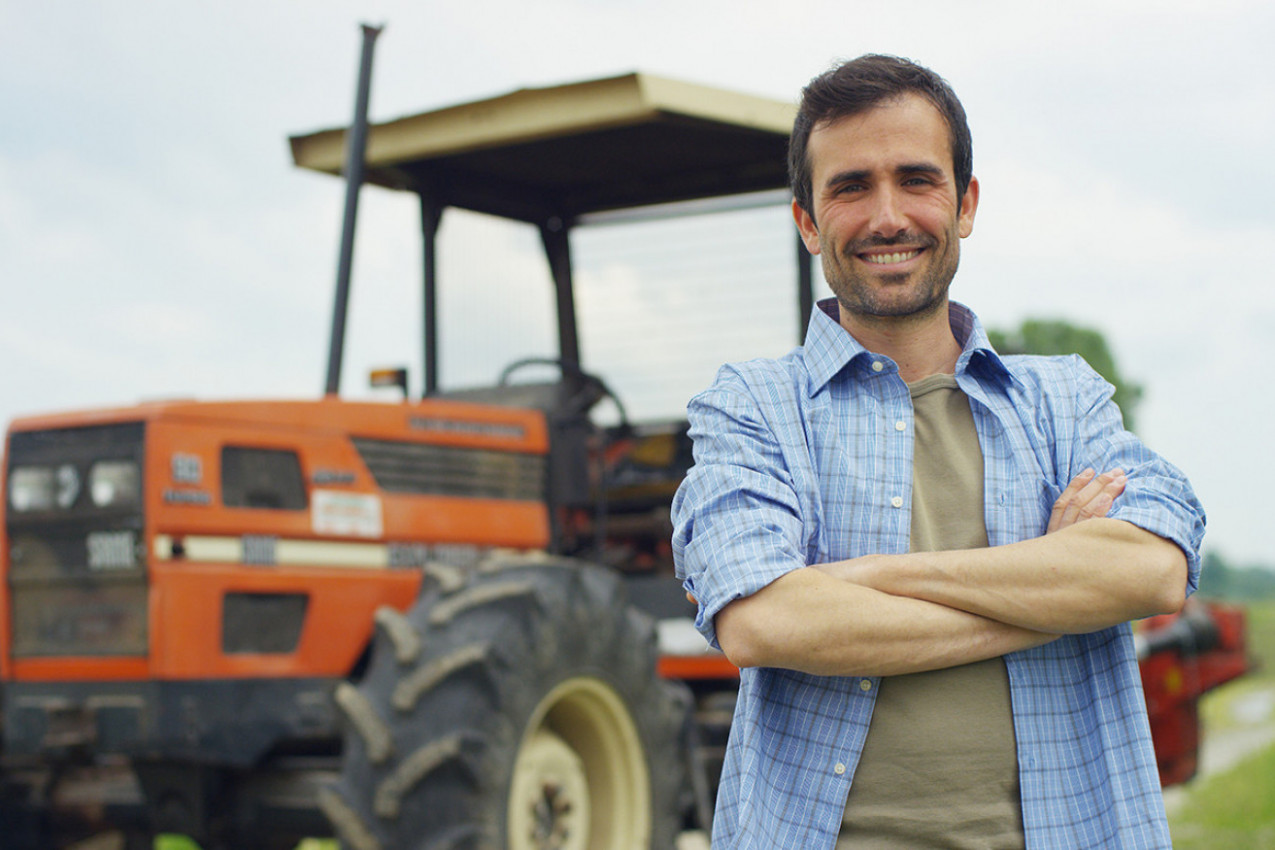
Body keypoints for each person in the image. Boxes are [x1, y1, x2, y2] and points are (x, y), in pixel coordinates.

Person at [671, 54, 1205, 850]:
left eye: (915, 179)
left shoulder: (1063, 398)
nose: (887, 216)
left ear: (964, 204)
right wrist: (1050, 588)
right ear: (807, 221)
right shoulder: (752, 407)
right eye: (850, 186)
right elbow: (763, 619)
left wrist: (860, 583)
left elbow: (1153, 568)